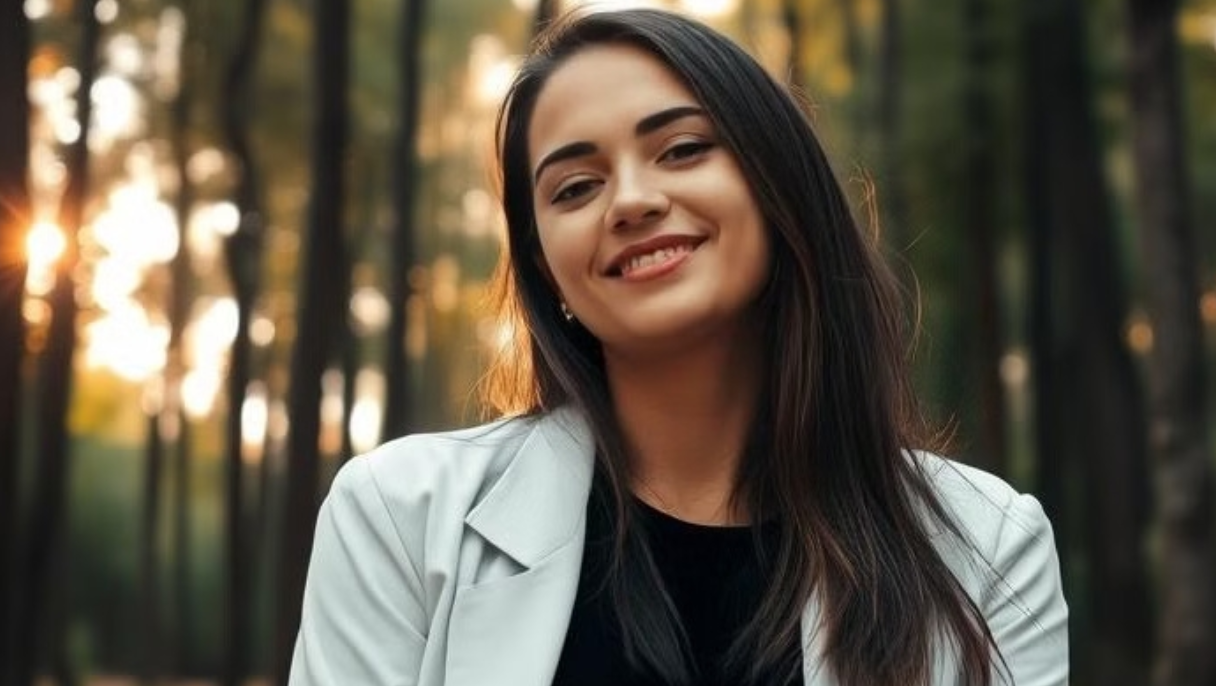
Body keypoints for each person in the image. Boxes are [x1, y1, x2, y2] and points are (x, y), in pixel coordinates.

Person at [289, 8, 1068, 686]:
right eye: (574, 188)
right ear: (547, 269)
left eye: (683, 149)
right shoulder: (399, 519)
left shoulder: (989, 547)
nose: (630, 200)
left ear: (778, 186)